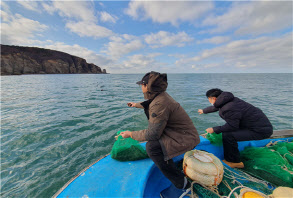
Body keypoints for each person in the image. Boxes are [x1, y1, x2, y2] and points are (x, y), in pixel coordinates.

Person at [121, 71, 200, 198]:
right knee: (155, 143)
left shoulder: (159, 104)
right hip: (180, 133)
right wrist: (136, 105)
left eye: (141, 84)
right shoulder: (160, 96)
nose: (140, 87)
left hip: (185, 138)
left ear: (147, 86)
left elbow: (152, 134)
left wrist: (131, 134)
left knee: (152, 147)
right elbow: (150, 104)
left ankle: (182, 185)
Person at [198, 88, 273, 168]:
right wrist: (204, 111)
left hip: (260, 130)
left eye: (209, 99)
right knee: (227, 132)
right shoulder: (229, 100)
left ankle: (234, 162)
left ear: (213, 98)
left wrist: (214, 129)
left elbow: (232, 126)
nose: (209, 102)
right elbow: (216, 107)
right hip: (256, 126)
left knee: (228, 135)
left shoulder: (228, 107)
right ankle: (233, 157)